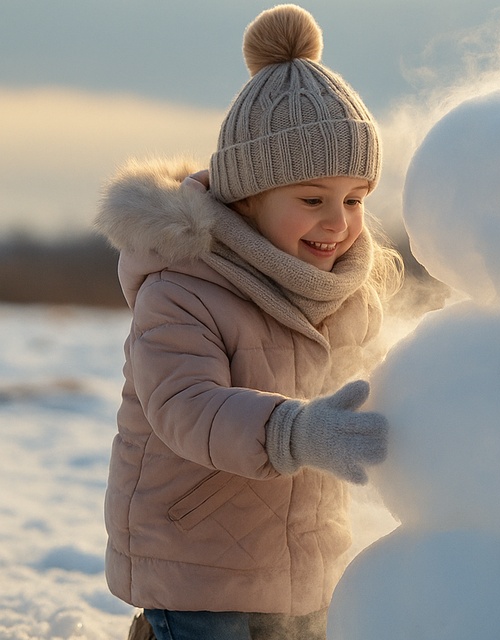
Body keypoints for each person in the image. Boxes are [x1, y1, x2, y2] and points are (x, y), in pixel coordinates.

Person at [95, 5, 403, 639]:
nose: (339, 222)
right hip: (196, 565)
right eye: (312, 199)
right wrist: (297, 432)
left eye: (354, 199)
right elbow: (186, 407)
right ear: (247, 198)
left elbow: (377, 395)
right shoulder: (182, 289)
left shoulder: (348, 296)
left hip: (310, 563)